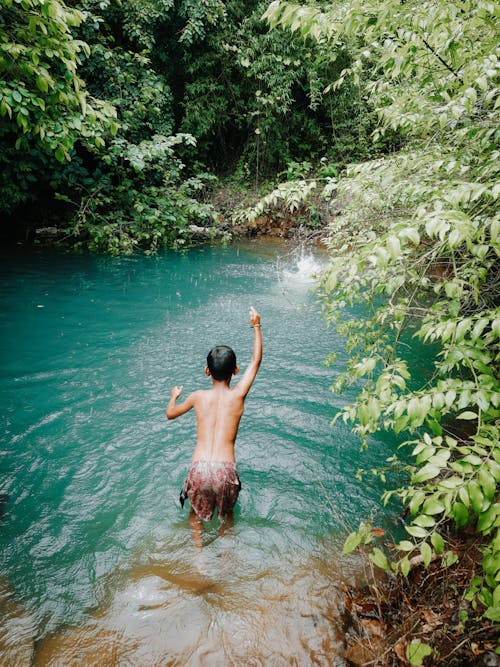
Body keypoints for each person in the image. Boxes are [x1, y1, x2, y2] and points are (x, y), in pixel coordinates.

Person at [166, 306, 262, 524]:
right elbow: (255, 362)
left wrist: (174, 396)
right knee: (227, 519)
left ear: (206, 371)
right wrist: (256, 325)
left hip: (199, 468)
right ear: (235, 370)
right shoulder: (237, 396)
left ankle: (198, 558)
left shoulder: (197, 397)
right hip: (225, 470)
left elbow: (170, 414)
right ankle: (227, 556)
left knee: (195, 518)